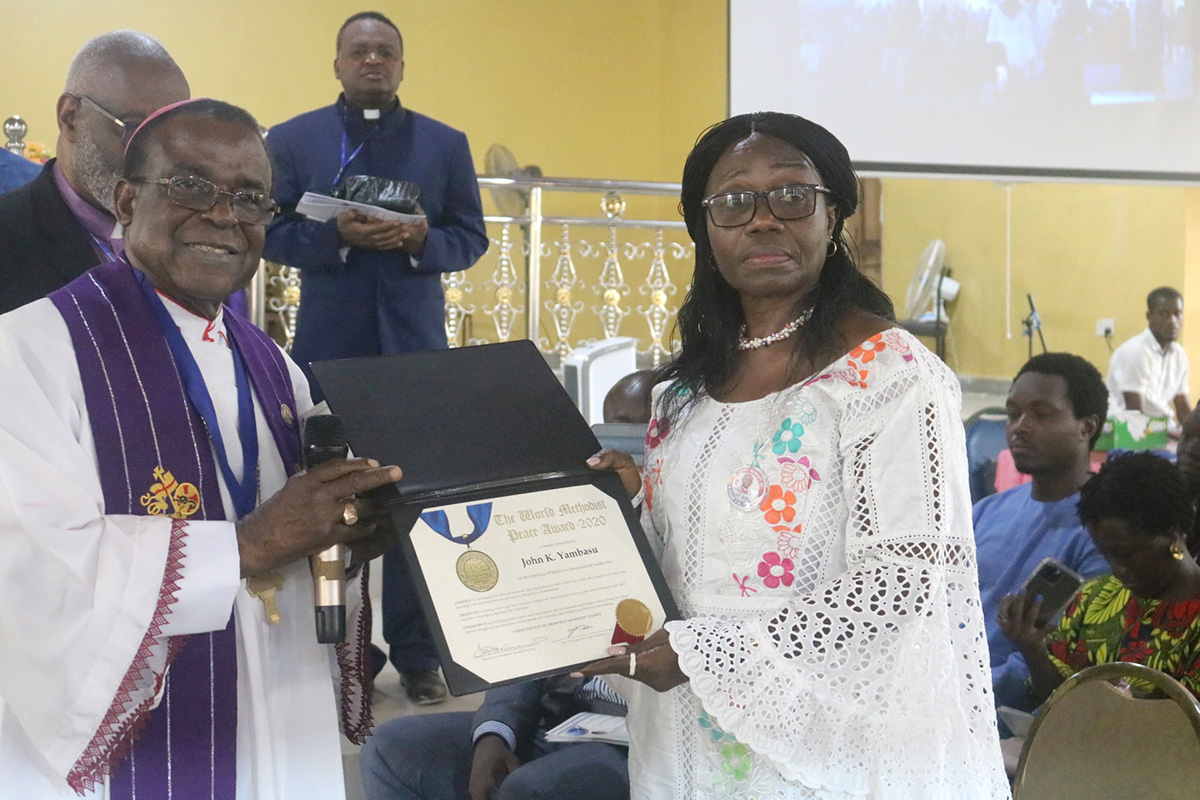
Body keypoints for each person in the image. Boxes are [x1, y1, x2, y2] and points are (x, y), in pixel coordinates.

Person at [582, 111, 1009, 798]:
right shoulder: (683, 393)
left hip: (829, 751)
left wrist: (704, 653)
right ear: (704, 227)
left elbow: (902, 583)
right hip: (681, 739)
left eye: (791, 196)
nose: (762, 219)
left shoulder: (891, 375)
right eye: (732, 202)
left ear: (832, 213)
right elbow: (685, 554)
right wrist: (626, 505)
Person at [0, 99, 402, 799]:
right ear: (126, 200)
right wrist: (244, 547)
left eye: (250, 198)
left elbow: (315, 543)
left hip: (278, 709)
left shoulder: (278, 366)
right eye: (190, 186)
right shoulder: (31, 352)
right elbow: (33, 573)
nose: (224, 216)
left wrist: (350, 534)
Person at [264, 10, 488, 704]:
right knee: (328, 502)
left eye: (384, 52)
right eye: (358, 51)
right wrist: (338, 241)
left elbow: (469, 239)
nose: (371, 61)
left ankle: (419, 656)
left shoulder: (444, 145)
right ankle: (333, 654)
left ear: (401, 65)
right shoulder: (294, 139)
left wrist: (420, 241)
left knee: (415, 503)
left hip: (415, 353)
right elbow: (267, 231)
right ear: (336, 62)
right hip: (328, 353)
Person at [0, 30, 190, 315]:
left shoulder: (188, 239)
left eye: (171, 138)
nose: (155, 158)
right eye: (133, 129)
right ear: (70, 118)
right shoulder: (9, 236)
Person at [972, 353, 1111, 718]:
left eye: (1041, 414)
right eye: (1013, 413)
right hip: (938, 688)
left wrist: (963, 692)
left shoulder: (1104, 530)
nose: (1020, 426)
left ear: (1087, 427)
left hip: (1003, 716)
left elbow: (1071, 659)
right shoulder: (986, 511)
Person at [999, 452, 1200, 704]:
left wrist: (1120, 703)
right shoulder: (1094, 598)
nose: (1118, 570)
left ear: (1170, 533)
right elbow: (1052, 701)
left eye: (1127, 554)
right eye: (1107, 555)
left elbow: (1188, 726)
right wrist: (1032, 649)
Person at [361, 675, 629, 800]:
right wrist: (493, 735)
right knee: (392, 747)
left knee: (528, 788)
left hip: (640, 737)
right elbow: (524, 654)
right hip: (559, 716)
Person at [1106, 286, 1190, 436]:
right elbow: (1135, 414)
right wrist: (1172, 435)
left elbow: (1182, 407)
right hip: (1127, 434)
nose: (1172, 321)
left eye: (1177, 314)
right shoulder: (1136, 351)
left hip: (1164, 431)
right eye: (1163, 313)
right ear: (1149, 316)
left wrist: (1193, 434)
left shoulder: (1179, 355)